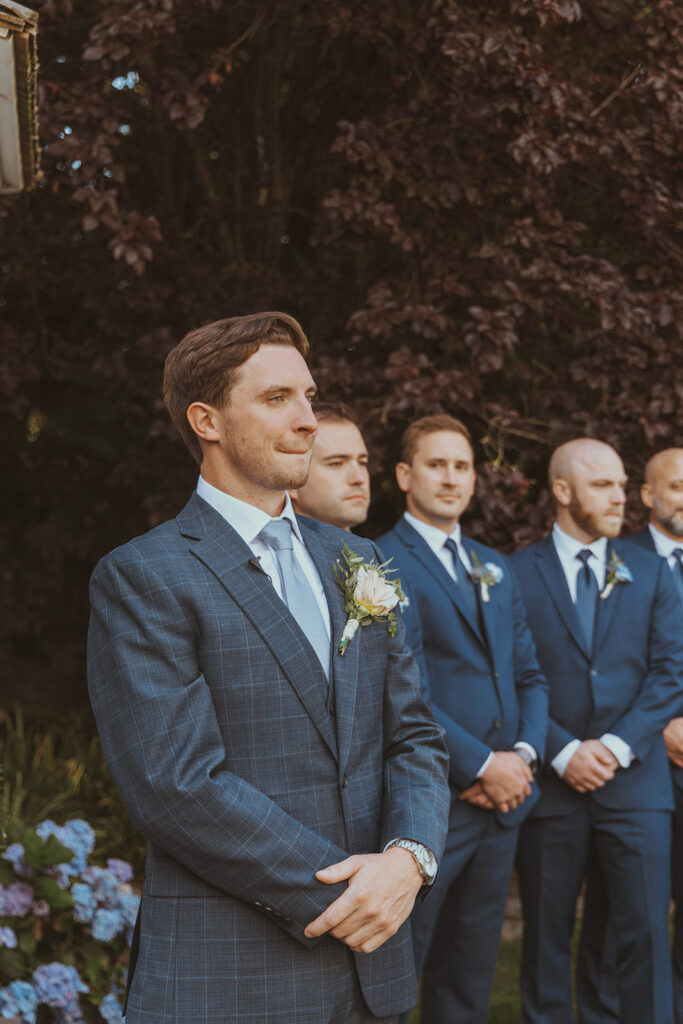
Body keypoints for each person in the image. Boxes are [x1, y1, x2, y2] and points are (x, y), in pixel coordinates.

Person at [87, 312, 450, 1024]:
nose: (309, 419)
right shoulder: (144, 575)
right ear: (206, 420)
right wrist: (349, 898)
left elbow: (413, 736)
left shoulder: (360, 562)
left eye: (309, 397)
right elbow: (174, 783)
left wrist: (410, 859)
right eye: (277, 398)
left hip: (373, 974)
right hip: (231, 971)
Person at [378, 414, 548, 1024]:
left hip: (503, 803)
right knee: (401, 973)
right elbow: (405, 690)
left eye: (462, 466)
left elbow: (528, 673)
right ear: (404, 475)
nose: (451, 478)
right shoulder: (382, 562)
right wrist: (480, 764)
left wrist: (522, 759)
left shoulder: (491, 563)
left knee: (471, 977)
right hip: (436, 802)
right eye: (436, 464)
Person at [511, 438, 683, 1024]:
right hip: (553, 793)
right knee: (545, 942)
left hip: (636, 787)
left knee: (642, 941)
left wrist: (611, 747)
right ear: (563, 492)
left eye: (621, 483)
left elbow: (670, 672)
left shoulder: (652, 571)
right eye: (603, 485)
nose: (620, 498)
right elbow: (511, 676)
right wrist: (561, 752)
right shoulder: (514, 573)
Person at [577, 447, 683, 1024]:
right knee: (618, 916)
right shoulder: (620, 556)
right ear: (649, 495)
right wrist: (659, 727)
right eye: (678, 486)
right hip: (638, 762)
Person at [290, 401, 370, 530]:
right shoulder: (263, 550)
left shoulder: (375, 550)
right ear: (291, 483)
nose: (359, 478)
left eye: (362, 462)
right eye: (336, 463)